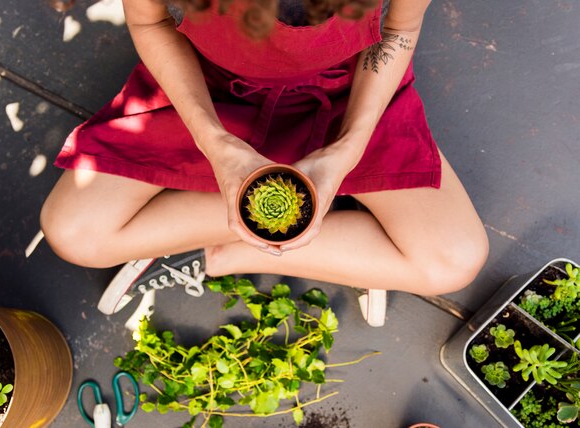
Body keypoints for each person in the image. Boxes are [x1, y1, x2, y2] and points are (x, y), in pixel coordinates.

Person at [40, 0, 489, 322]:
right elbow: (151, 22)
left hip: (347, 95)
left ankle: (217, 253)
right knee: (75, 234)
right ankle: (341, 236)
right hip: (211, 93)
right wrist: (213, 141)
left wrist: (348, 147)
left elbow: (398, 30)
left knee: (453, 260)